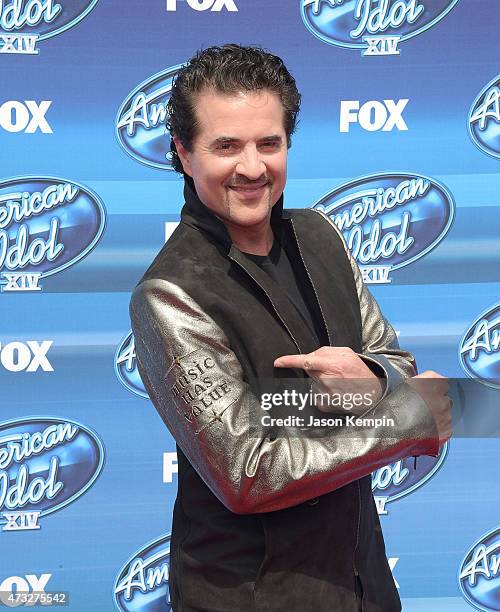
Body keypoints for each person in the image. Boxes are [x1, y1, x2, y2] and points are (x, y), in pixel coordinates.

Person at [130, 44, 451, 612]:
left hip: (361, 580)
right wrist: (403, 420)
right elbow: (247, 474)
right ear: (183, 153)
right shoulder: (169, 294)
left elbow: (392, 359)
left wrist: (374, 384)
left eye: (268, 143)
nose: (252, 167)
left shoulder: (321, 234)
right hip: (248, 596)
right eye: (226, 146)